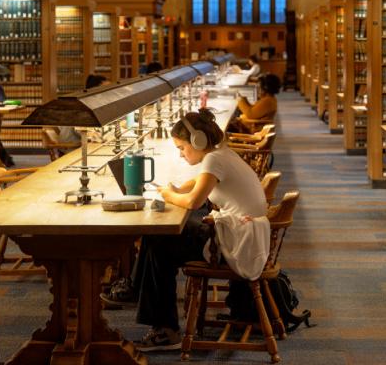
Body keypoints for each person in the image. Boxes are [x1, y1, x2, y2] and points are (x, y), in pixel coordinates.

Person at [101, 109, 269, 351]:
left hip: (236, 244)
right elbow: (200, 182)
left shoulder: (214, 159)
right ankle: (137, 293)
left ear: (197, 141)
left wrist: (169, 194)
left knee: (160, 241)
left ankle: (164, 329)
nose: (180, 154)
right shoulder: (221, 153)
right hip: (241, 235)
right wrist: (177, 189)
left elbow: (193, 202)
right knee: (157, 235)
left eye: (181, 148)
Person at [56, 74, 108, 149]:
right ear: (96, 91)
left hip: (82, 146)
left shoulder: (92, 104)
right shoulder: (83, 105)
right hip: (72, 150)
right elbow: (85, 133)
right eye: (106, 90)